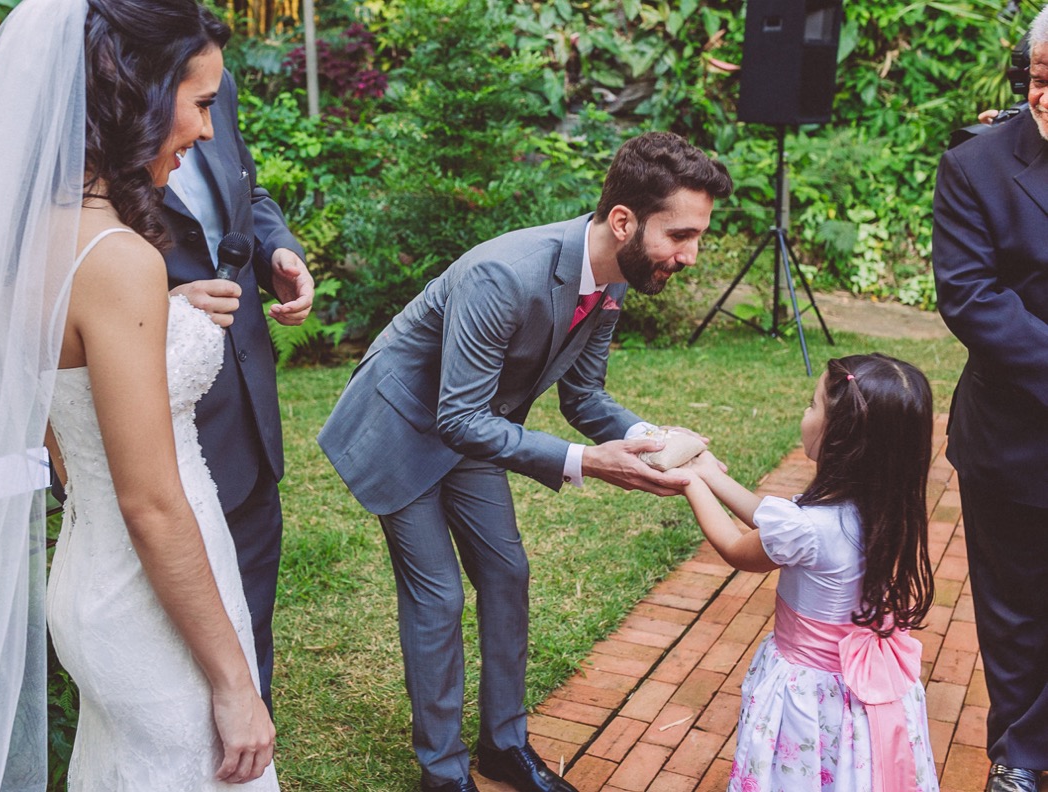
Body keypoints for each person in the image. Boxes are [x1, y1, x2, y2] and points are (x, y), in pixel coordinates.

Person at [0, 0, 277, 789]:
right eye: (200, 104)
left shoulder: (27, 242)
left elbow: (61, 411)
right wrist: (234, 683)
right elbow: (151, 503)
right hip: (153, 596)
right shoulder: (119, 260)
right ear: (142, 96)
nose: (210, 130)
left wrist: (160, 325)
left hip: (90, 575)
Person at [318, 132, 733, 792]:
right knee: (439, 597)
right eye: (680, 235)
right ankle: (444, 772)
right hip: (402, 425)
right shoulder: (504, 273)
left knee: (507, 574)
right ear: (624, 221)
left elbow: (584, 394)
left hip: (473, 427)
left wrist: (651, 437)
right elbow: (456, 416)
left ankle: (504, 746)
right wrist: (586, 463)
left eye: (698, 237)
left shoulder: (614, 278)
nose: (690, 256)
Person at [672, 353, 938, 792]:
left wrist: (689, 482)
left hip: (807, 694)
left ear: (841, 436)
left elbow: (737, 549)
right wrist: (709, 470)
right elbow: (776, 521)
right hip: (862, 695)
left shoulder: (809, 526)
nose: (806, 412)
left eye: (813, 405)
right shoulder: (888, 509)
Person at [161, 65, 314, 716]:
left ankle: (256, 736)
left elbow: (246, 197)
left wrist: (276, 251)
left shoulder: (209, 78)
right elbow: (45, 282)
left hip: (246, 412)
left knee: (252, 607)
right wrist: (159, 304)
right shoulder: (82, 109)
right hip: (154, 424)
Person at [932, 6, 1048, 790]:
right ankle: (1018, 757)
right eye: (1041, 81)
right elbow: (971, 299)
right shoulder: (974, 166)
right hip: (1012, 435)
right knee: (1015, 611)